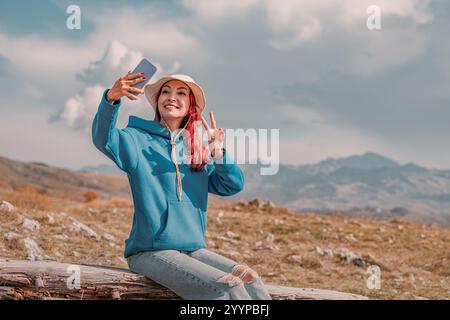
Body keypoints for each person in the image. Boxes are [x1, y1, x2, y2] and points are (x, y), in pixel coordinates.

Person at [91, 71, 272, 300]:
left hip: (193, 251)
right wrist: (111, 99)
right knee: (229, 287)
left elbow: (232, 185)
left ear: (190, 105)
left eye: (180, 93)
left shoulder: (195, 150)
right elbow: (103, 139)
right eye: (165, 92)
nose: (171, 97)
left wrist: (218, 152)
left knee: (251, 280)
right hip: (151, 251)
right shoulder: (137, 140)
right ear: (157, 102)